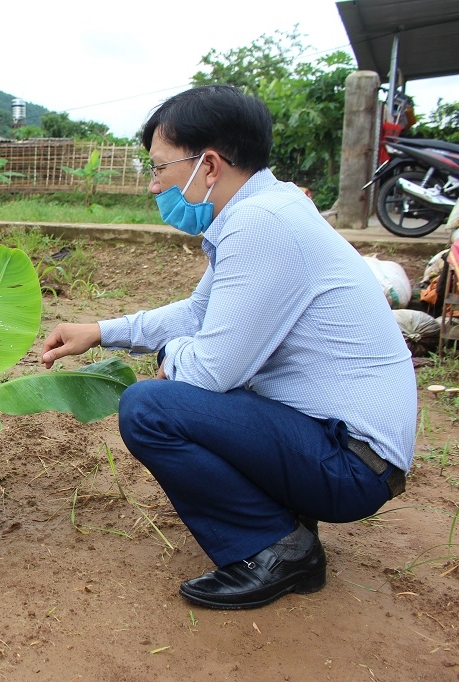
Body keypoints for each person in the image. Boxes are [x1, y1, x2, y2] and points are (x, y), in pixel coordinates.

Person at [40, 85, 416, 610]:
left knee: (151, 408)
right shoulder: (266, 208)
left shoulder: (261, 224)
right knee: (189, 390)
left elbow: (213, 371)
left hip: (350, 463)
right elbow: (198, 311)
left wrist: (169, 356)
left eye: (159, 168)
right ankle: (284, 526)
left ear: (209, 166)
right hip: (348, 448)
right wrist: (102, 330)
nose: (154, 186)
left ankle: (279, 549)